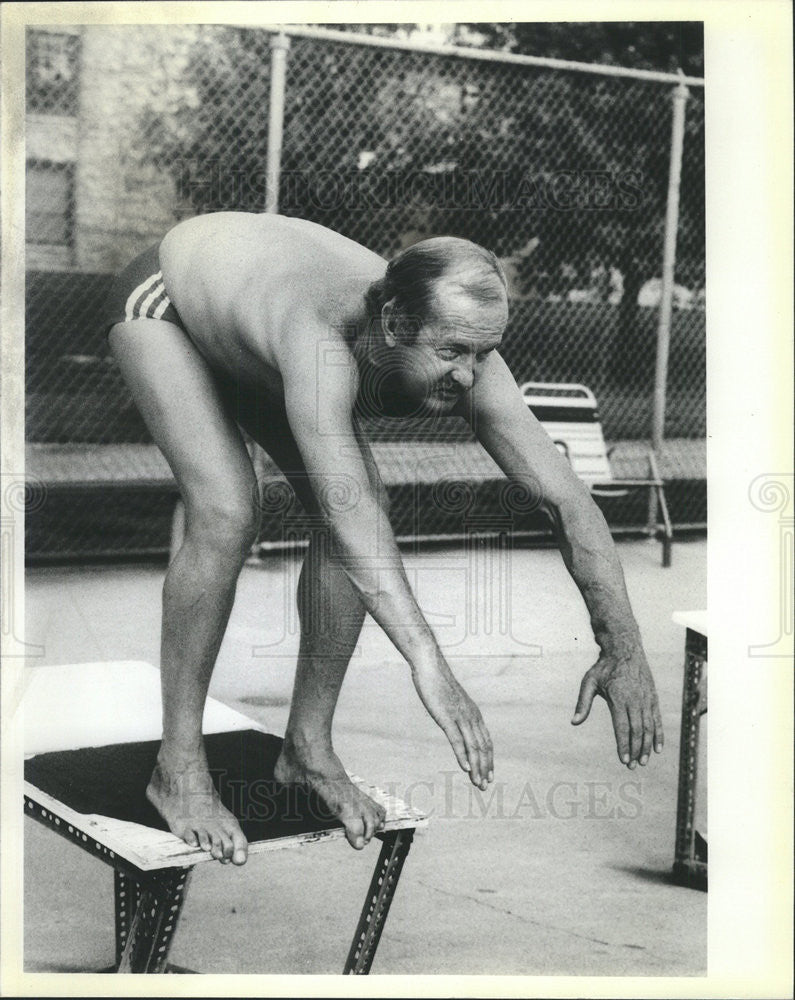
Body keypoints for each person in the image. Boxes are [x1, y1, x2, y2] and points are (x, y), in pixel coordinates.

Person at [103, 211, 663, 867]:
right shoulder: (320, 341)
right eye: (451, 354)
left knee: (356, 506)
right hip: (169, 300)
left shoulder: (460, 338)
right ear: (395, 323)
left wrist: (621, 644)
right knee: (229, 510)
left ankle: (306, 750)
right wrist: (430, 665)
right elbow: (352, 514)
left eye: (481, 354)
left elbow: (565, 497)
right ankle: (178, 767)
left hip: (249, 323)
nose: (466, 377)